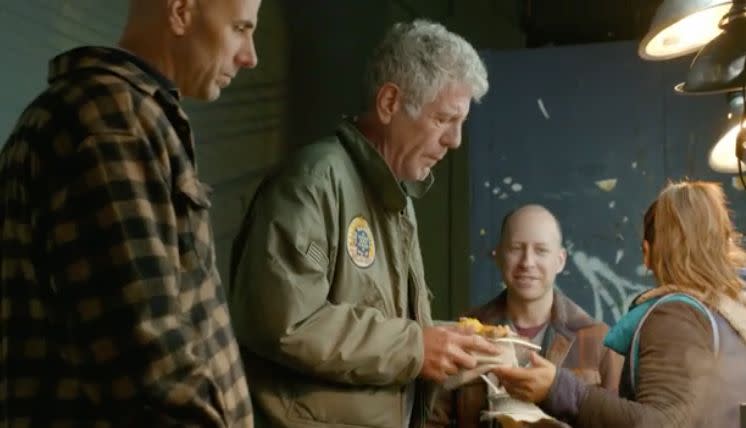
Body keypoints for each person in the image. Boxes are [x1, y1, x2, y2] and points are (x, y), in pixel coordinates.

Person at [0, 0, 261, 426]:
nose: (250, 56)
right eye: (239, 28)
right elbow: (148, 371)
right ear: (180, 11)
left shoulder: (121, 115)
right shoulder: (110, 123)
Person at [228, 19, 496, 428]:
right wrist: (417, 347)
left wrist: (455, 344)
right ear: (389, 102)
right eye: (444, 119)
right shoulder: (313, 182)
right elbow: (286, 323)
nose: (455, 140)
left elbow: (384, 330)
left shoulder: (395, 195)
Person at [494, 181, 746, 428]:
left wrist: (557, 388)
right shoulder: (732, 312)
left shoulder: (675, 315)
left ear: (647, 253)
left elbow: (661, 423)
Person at [427, 204, 622, 427]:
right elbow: (432, 420)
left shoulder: (600, 339)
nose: (527, 262)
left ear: (560, 260)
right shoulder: (463, 334)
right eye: (516, 248)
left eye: (541, 250)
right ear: (498, 255)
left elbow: (617, 422)